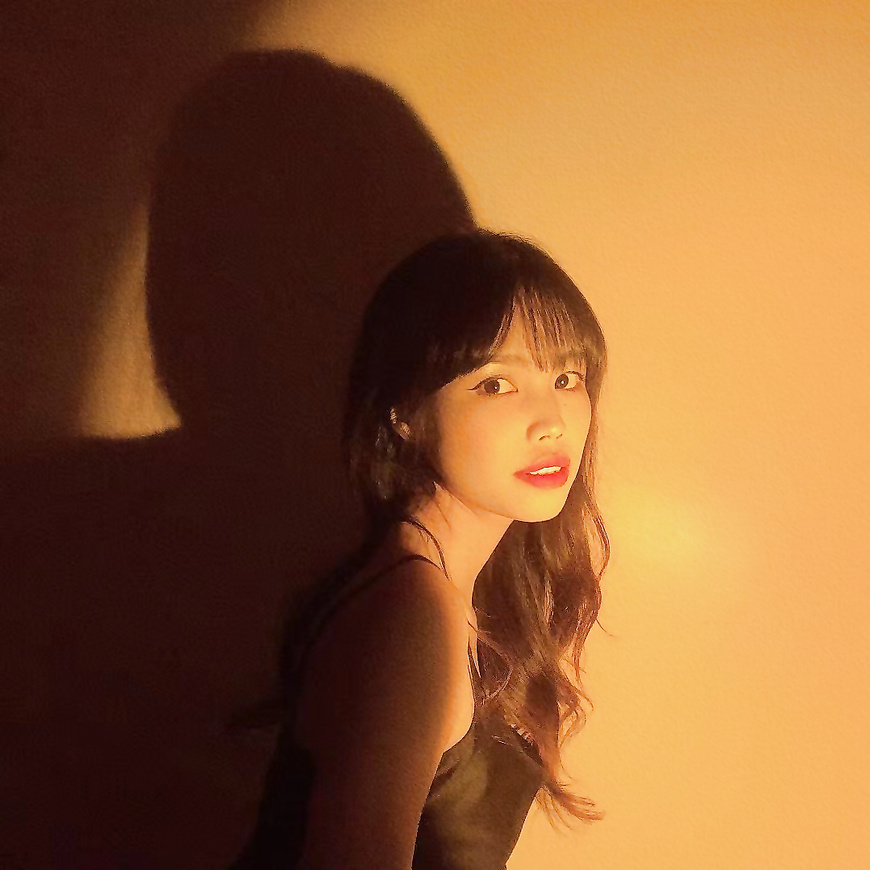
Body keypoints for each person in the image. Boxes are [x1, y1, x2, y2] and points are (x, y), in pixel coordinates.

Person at [231, 229, 609, 869]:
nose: (552, 421)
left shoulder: (443, 587)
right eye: (496, 384)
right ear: (404, 413)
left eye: (567, 378)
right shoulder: (412, 615)